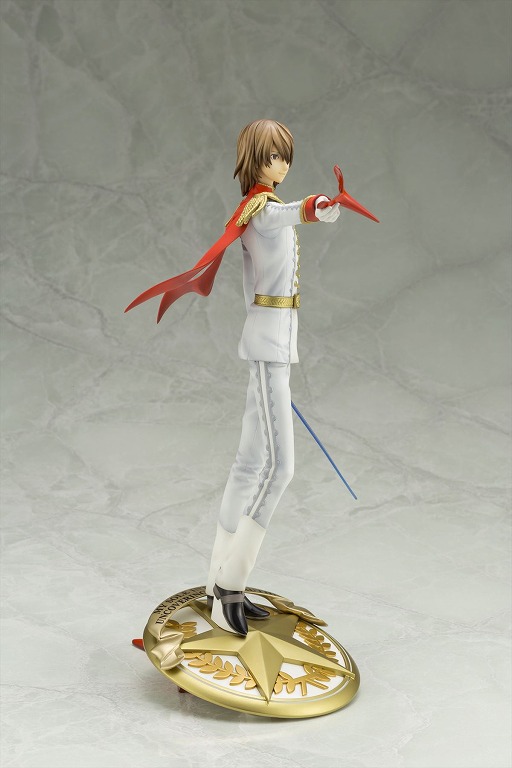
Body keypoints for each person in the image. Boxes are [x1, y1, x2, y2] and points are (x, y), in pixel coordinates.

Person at [205, 119, 341, 635]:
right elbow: (291, 213)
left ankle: (217, 582)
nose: (280, 166)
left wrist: (322, 209)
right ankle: (229, 587)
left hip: (274, 344)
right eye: (271, 157)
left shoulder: (263, 210)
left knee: (248, 464)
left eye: (285, 157)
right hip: (268, 346)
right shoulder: (260, 210)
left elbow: (298, 214)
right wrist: (317, 205)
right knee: (280, 468)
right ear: (253, 161)